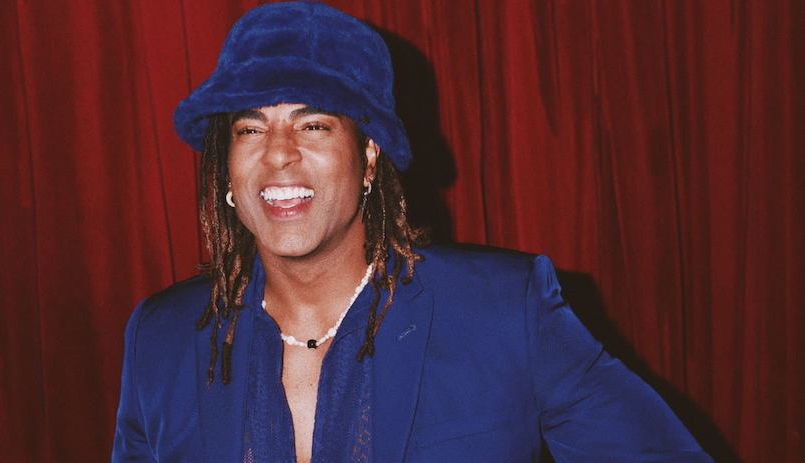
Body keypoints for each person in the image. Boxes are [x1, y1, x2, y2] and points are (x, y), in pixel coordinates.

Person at [112, 2, 712, 462]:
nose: (278, 153)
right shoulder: (159, 339)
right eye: (250, 130)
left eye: (313, 125)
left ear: (369, 155)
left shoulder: (507, 313)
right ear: (226, 168)